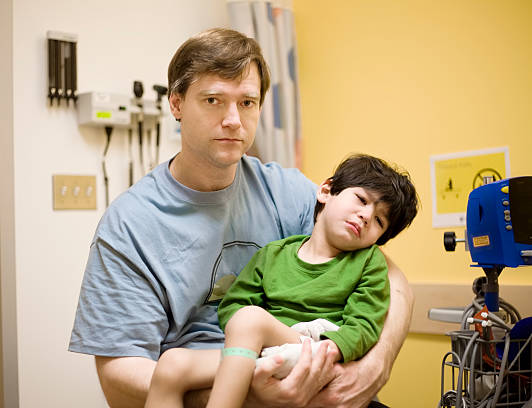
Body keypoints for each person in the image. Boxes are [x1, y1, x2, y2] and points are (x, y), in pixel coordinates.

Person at [69, 27, 415, 408]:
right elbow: (119, 375)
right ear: (177, 104)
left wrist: (375, 366)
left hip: (313, 376)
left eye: (247, 103)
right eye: (214, 100)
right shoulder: (129, 226)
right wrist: (250, 395)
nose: (233, 119)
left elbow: (392, 278)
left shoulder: (286, 191)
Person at [144, 154, 419, 408]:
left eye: (380, 221)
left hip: (317, 351)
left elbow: (364, 324)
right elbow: (233, 305)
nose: (367, 215)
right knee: (171, 365)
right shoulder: (273, 254)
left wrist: (330, 349)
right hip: (260, 349)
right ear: (326, 191)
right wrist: (253, 340)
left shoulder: (368, 262)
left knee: (250, 319)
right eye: (361, 199)